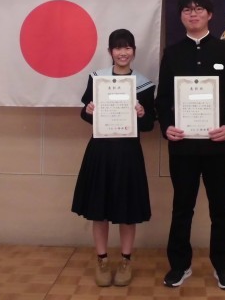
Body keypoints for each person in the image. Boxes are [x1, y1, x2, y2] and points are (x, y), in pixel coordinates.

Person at [156, 0, 225, 290]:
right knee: (182, 208)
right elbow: (162, 100)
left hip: (219, 146)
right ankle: (179, 265)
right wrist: (167, 127)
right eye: (187, 9)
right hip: (182, 146)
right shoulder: (172, 53)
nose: (193, 14)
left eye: (198, 9)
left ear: (210, 14)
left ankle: (223, 266)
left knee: (220, 208)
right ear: (180, 16)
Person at [71, 29, 155, 287]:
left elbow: (149, 125)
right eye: (118, 48)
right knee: (100, 210)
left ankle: (126, 261)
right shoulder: (97, 79)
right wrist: (89, 110)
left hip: (128, 153)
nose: (122, 52)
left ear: (134, 52)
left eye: (127, 47)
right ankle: (102, 261)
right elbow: (85, 115)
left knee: (127, 211)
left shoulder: (144, 84)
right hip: (101, 151)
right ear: (110, 52)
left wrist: (142, 114)